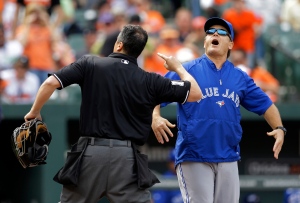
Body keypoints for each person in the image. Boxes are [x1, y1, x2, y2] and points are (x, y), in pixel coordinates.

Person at [23, 24, 202, 203]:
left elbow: (49, 84)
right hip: (126, 159)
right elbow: (195, 93)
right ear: (139, 51)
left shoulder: (90, 63)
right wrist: (178, 68)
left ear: (118, 45)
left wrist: (34, 112)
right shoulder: (150, 80)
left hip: (90, 155)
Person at [151, 17, 286, 203]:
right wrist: (155, 116)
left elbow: (267, 106)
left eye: (222, 32)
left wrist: (279, 128)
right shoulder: (186, 70)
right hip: (195, 155)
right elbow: (155, 93)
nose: (215, 34)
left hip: (228, 156)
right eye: (210, 32)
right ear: (205, 40)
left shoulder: (239, 77)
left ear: (230, 43)